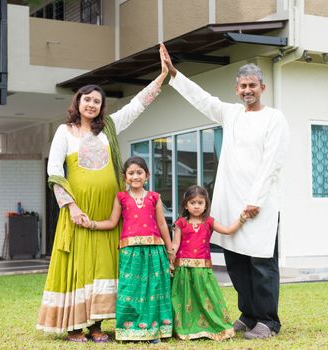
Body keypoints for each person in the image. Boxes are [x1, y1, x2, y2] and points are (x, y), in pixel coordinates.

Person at [160, 43, 290, 339]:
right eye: (243, 86)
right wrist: (174, 74)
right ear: (237, 89)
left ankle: (269, 321)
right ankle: (248, 314)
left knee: (261, 264)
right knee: (236, 262)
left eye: (252, 85)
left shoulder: (274, 118)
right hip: (229, 202)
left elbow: (272, 162)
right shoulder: (231, 114)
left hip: (260, 205)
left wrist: (255, 201)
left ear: (262, 87)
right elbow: (202, 100)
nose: (247, 90)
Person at [36, 52, 169, 342]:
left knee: (104, 266)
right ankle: (73, 326)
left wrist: (161, 77)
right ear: (77, 102)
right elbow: (54, 171)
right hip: (79, 211)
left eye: (97, 101)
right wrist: (70, 207)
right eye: (87, 99)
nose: (92, 104)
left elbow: (137, 106)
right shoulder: (64, 131)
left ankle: (96, 325)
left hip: (108, 214)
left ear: (101, 106)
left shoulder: (108, 128)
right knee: (79, 265)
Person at [81, 156, 174, 343]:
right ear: (125, 177)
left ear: (146, 175)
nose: (135, 176)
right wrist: (91, 224)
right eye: (131, 173)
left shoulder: (154, 197)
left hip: (154, 250)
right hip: (130, 251)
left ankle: (153, 330)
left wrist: (170, 250)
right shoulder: (121, 197)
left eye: (139, 172)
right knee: (130, 290)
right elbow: (112, 222)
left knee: (153, 289)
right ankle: (129, 330)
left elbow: (162, 224)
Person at [171, 185, 247, 341]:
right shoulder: (181, 223)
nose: (197, 206)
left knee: (207, 298)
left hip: (203, 270)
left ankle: (213, 326)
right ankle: (184, 328)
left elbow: (227, 230)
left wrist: (242, 219)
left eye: (200, 202)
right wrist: (169, 260)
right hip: (183, 270)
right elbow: (175, 244)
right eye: (193, 202)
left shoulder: (209, 222)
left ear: (206, 205)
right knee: (184, 300)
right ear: (186, 205)